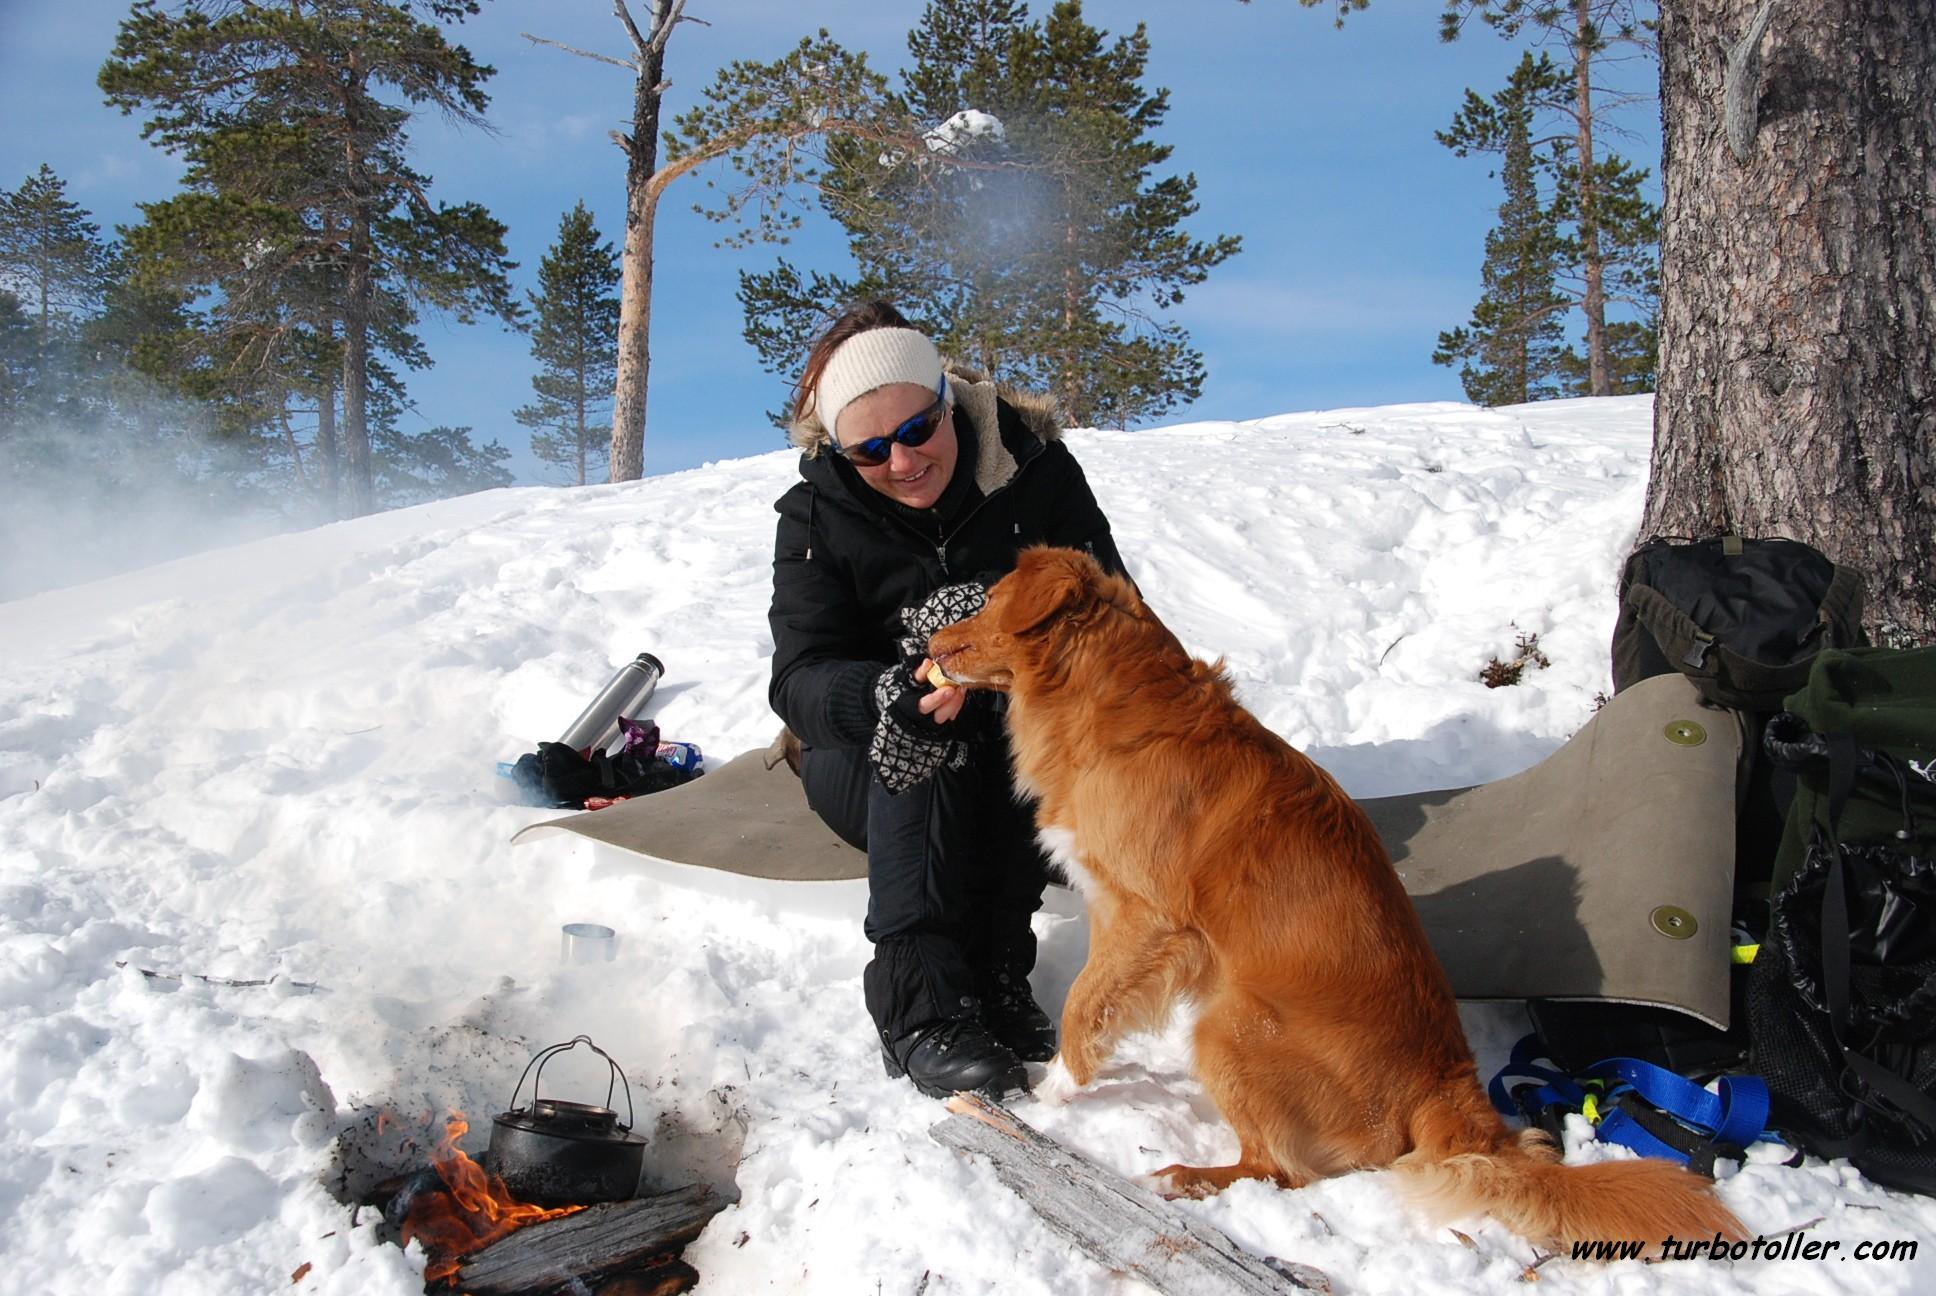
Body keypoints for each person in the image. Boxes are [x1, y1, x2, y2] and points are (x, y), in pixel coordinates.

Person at [767, 301, 1127, 1099]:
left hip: (1014, 745)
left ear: (948, 402)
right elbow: (798, 680)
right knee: (924, 731)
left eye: (917, 430)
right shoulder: (817, 515)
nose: (901, 460)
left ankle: (998, 973)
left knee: (1019, 736)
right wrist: (887, 691)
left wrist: (996, 635)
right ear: (840, 450)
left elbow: (1114, 611)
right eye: (869, 450)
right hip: (859, 764)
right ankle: (921, 1005)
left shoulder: (1037, 473)